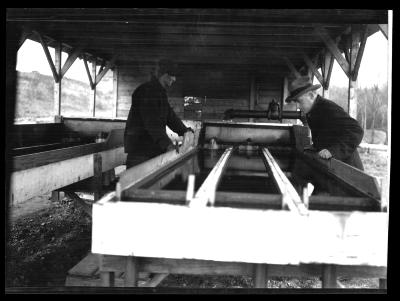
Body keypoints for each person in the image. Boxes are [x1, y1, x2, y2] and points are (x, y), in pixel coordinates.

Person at [124, 59, 194, 168]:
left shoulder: (159, 93)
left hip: (152, 148)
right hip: (141, 150)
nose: (174, 79)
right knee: (137, 183)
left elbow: (170, 116)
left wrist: (185, 131)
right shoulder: (147, 91)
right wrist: (167, 145)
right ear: (164, 74)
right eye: (172, 75)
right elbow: (152, 122)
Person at [285, 76, 364, 171]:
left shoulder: (328, 108)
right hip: (333, 167)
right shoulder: (312, 112)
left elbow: (356, 130)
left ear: (311, 95)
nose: (297, 106)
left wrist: (333, 151)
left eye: (299, 101)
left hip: (349, 171)